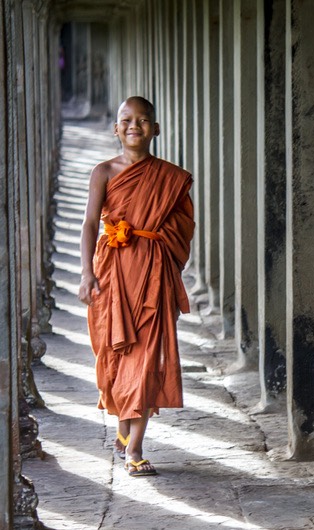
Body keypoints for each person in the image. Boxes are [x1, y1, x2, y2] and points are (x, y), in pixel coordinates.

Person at [78, 96, 194, 476]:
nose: (134, 125)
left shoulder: (171, 178)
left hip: (153, 274)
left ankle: (135, 448)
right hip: (112, 273)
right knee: (114, 355)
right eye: (127, 119)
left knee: (147, 359)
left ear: (155, 129)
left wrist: (160, 251)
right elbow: (89, 225)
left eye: (143, 120)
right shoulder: (104, 172)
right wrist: (86, 274)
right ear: (116, 128)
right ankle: (124, 430)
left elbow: (182, 228)